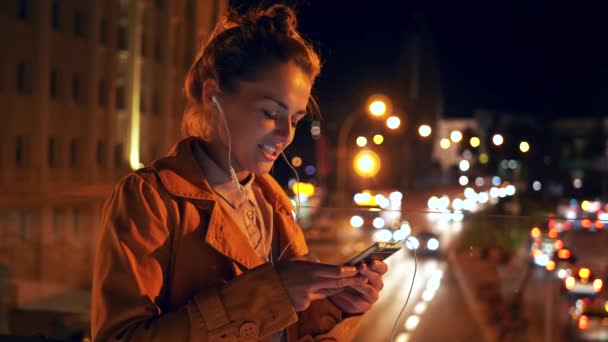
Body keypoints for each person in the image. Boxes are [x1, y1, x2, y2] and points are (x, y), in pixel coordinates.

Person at [91, 4, 388, 341]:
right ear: (213, 95)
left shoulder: (272, 203)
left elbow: (283, 329)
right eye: (270, 112)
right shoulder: (151, 199)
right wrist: (271, 294)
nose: (285, 134)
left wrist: (335, 303)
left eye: (295, 118)